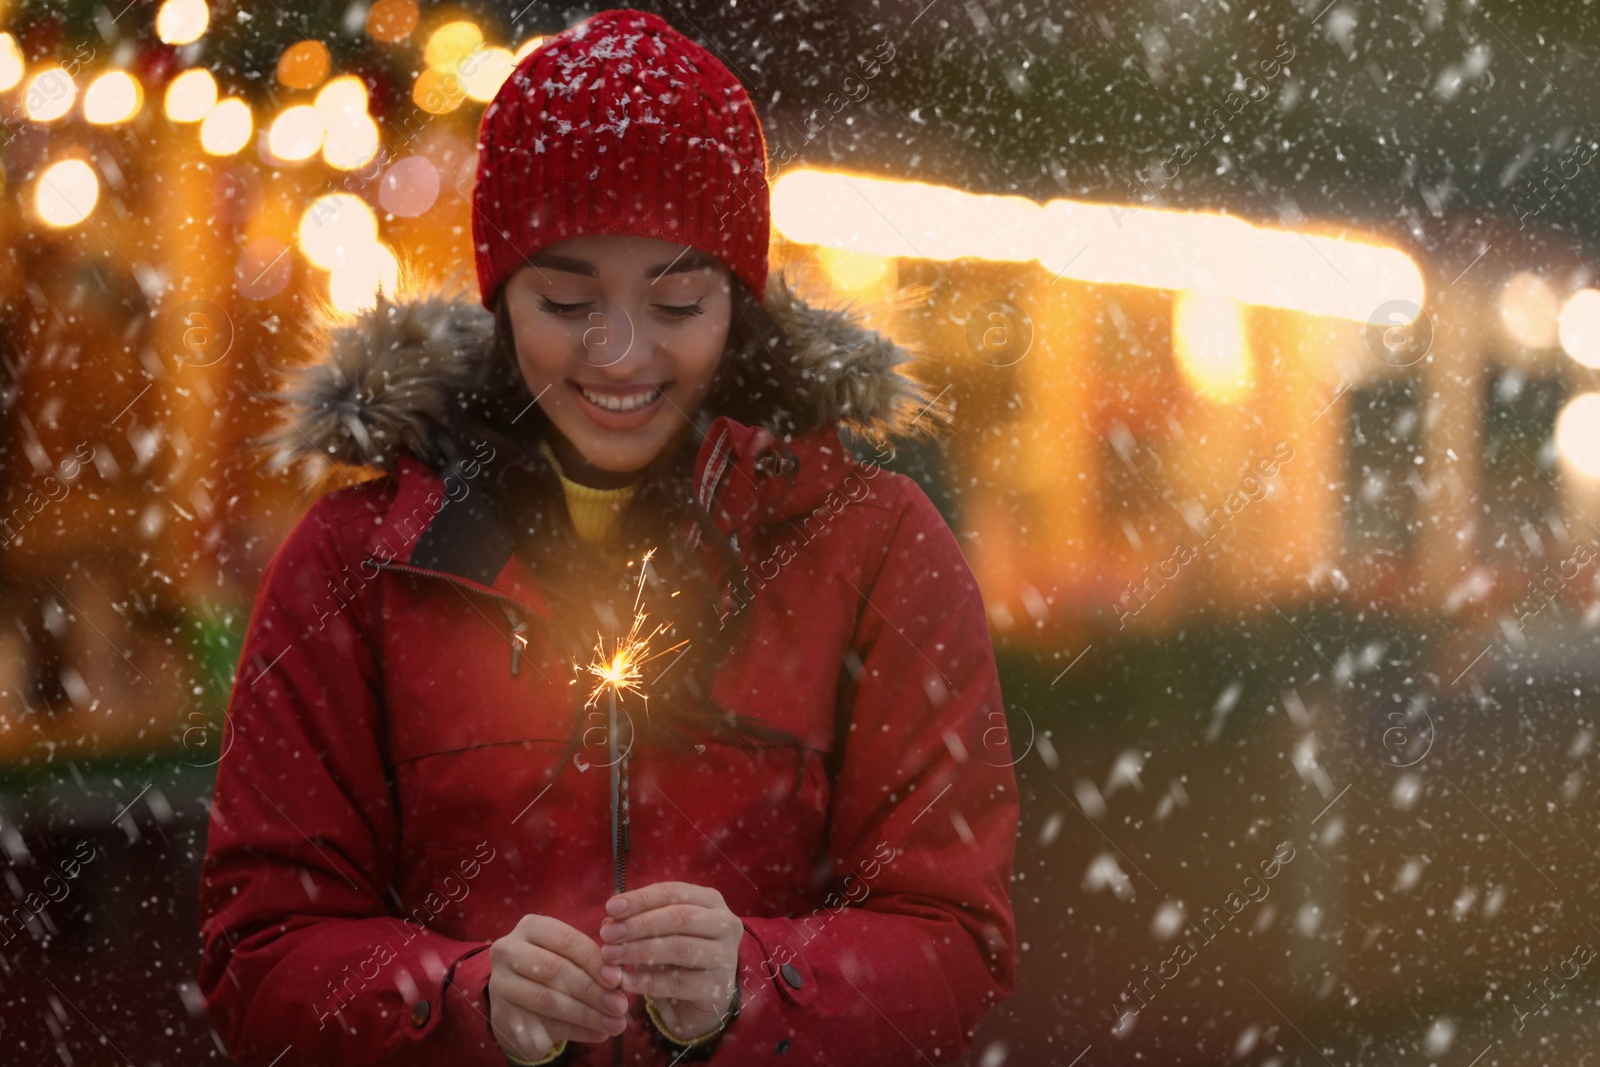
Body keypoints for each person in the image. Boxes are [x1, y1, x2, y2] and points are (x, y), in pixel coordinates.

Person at [197, 9, 1017, 1065]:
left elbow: (953, 941)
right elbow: (258, 951)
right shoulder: (359, 561)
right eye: (566, 299)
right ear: (499, 298)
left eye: (677, 302)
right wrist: (458, 998)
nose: (620, 354)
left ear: (738, 303)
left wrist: (755, 983)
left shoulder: (873, 548)